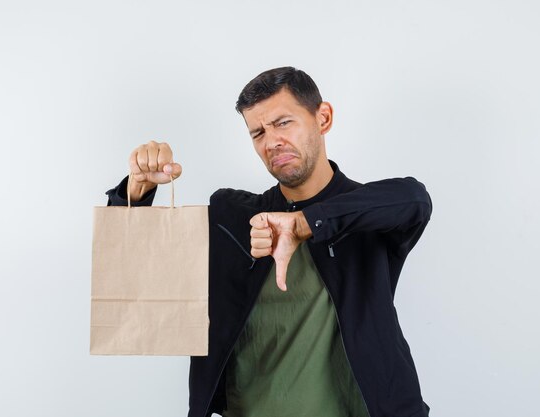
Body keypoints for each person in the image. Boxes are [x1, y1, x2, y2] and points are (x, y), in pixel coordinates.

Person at [106, 67, 432, 417]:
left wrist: (305, 223)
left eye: (283, 123)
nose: (271, 141)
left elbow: (414, 199)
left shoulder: (370, 214)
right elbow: (139, 269)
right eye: (257, 132)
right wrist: (137, 192)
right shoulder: (232, 215)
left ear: (323, 118)